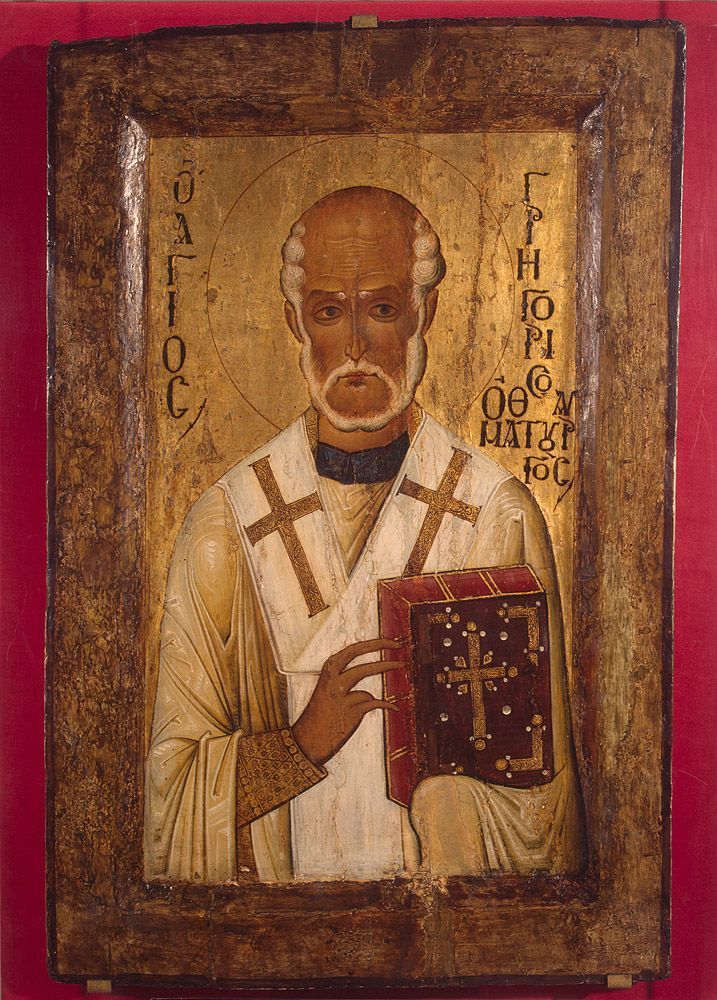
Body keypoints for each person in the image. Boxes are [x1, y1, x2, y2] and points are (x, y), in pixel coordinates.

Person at [144, 186, 585, 883]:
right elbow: (170, 804)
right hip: (274, 930)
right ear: (294, 321)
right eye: (328, 312)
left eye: (381, 309)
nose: (354, 345)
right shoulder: (224, 524)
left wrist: (448, 811)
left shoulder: (494, 513)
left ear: (423, 312)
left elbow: (542, 816)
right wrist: (300, 746)